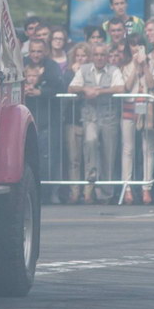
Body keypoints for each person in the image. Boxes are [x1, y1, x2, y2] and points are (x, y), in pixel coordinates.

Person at [69, 42, 124, 203]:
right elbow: (71, 88)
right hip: (90, 116)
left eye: (102, 55)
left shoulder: (114, 70)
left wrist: (100, 91)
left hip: (109, 117)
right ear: (92, 57)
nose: (99, 58)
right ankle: (91, 180)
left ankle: (106, 193)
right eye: (97, 55)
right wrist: (85, 89)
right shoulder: (84, 69)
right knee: (90, 141)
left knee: (109, 154)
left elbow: (120, 88)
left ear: (107, 57)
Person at [24, 39, 65, 201]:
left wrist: (40, 92)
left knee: (48, 157)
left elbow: (59, 87)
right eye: (33, 51)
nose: (35, 55)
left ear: (45, 51)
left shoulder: (52, 66)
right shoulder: (23, 62)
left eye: (39, 51)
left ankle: (47, 194)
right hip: (28, 120)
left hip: (47, 120)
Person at [120, 34, 154, 204]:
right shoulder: (125, 64)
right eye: (133, 45)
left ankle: (146, 188)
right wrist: (135, 67)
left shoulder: (153, 61)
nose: (136, 48)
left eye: (139, 45)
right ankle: (127, 188)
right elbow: (126, 86)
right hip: (130, 106)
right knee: (128, 149)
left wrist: (145, 66)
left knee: (148, 149)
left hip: (148, 105)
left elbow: (153, 84)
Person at [64, 42, 91, 203]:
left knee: (89, 158)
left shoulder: (93, 72)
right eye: (78, 56)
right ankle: (74, 191)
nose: (81, 59)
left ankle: (88, 191)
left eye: (84, 56)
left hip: (89, 118)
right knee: (73, 158)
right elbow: (66, 88)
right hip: (71, 118)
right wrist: (76, 74)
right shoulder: (68, 73)